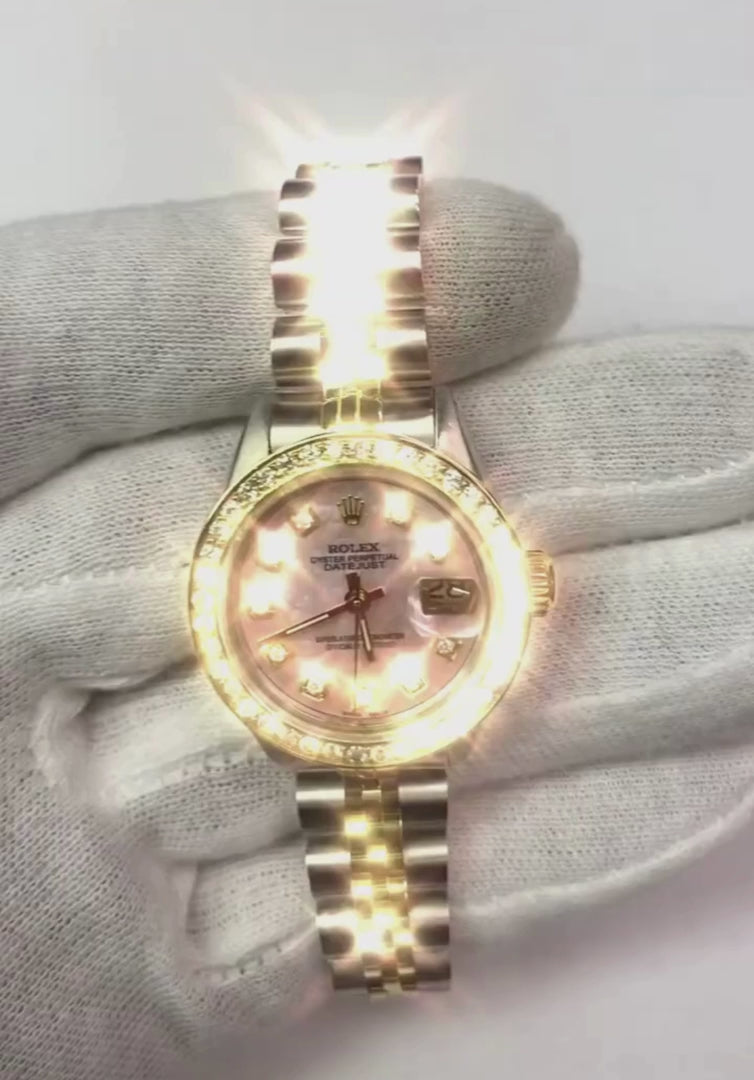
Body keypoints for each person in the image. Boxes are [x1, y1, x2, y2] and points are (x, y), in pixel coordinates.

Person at [1, 177, 753, 1079]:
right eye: (349, 596)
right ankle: (379, 943)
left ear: (526, 583)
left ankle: (380, 942)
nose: (358, 599)